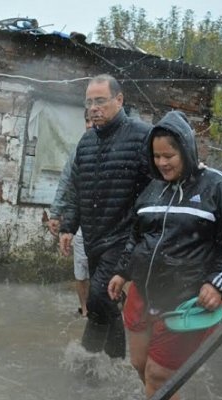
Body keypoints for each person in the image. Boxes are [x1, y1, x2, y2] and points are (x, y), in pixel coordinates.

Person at [107, 111, 222, 399]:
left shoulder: (217, 186)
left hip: (186, 299)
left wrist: (218, 284)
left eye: (169, 155)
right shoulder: (152, 189)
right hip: (143, 295)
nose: (162, 163)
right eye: (156, 156)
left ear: (186, 148)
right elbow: (137, 236)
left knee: (159, 376)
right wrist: (122, 272)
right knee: (141, 365)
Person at [59, 74, 152, 359]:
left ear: (119, 100)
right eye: (89, 102)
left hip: (125, 237)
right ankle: (111, 361)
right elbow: (77, 189)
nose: (94, 108)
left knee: (98, 295)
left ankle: (90, 359)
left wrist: (144, 233)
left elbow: (153, 191)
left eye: (100, 101)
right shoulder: (86, 143)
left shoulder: (142, 136)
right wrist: (67, 226)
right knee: (107, 298)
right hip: (94, 236)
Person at [48, 113, 93, 317]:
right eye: (88, 121)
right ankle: (84, 310)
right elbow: (66, 183)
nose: (91, 125)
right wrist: (56, 214)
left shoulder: (118, 148)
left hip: (110, 223)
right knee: (81, 268)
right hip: (83, 221)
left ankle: (109, 310)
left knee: (110, 270)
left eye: (95, 120)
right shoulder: (79, 151)